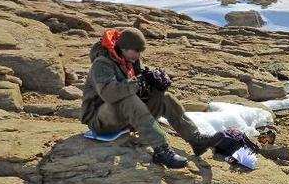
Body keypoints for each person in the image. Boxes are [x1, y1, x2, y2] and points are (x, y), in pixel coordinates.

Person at [81, 28, 212, 169]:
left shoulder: (131, 59)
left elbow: (141, 82)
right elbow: (109, 94)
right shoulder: (102, 63)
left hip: (124, 118)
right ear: (123, 48)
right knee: (127, 99)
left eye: (140, 51)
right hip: (100, 120)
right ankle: (161, 149)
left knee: (165, 98)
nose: (138, 55)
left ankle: (195, 139)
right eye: (136, 50)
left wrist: (154, 83)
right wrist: (137, 83)